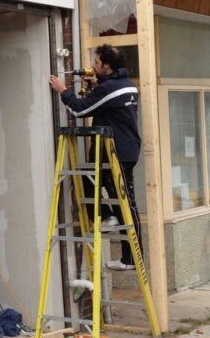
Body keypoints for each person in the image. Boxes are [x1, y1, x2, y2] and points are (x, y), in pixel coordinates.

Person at [48, 44, 141, 271]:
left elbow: (79, 110)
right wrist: (97, 87)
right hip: (122, 148)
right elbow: (107, 107)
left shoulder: (109, 89)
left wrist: (63, 90)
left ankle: (130, 255)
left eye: (96, 63)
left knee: (124, 201)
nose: (93, 66)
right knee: (96, 183)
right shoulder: (126, 85)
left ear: (107, 66)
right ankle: (109, 220)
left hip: (114, 150)